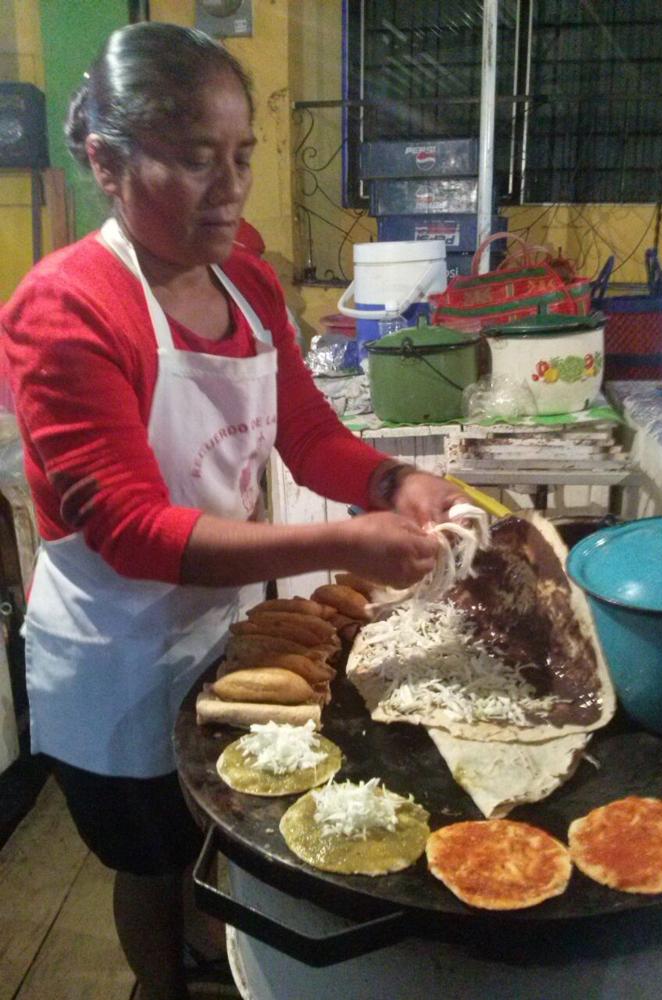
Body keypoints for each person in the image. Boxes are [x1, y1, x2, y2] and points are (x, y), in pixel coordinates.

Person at [0, 23, 464, 1000]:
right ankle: (162, 988)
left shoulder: (246, 283)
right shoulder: (68, 310)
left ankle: (216, 963)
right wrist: (345, 537)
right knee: (150, 857)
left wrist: (388, 482)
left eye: (242, 154)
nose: (230, 184)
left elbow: (305, 433)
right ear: (106, 161)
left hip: (220, 625)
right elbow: (130, 530)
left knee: (223, 826)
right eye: (194, 156)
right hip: (115, 649)